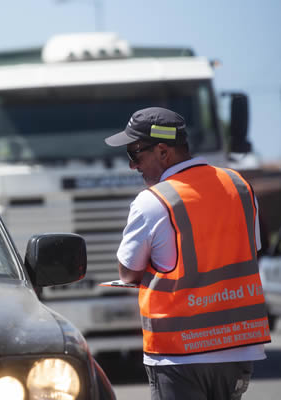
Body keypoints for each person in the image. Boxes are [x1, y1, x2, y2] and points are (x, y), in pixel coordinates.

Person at [104, 107, 271, 400]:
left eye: (135, 154)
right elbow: (249, 252)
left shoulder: (152, 202)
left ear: (163, 151)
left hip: (179, 354)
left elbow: (127, 271)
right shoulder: (240, 186)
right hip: (238, 347)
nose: (133, 166)